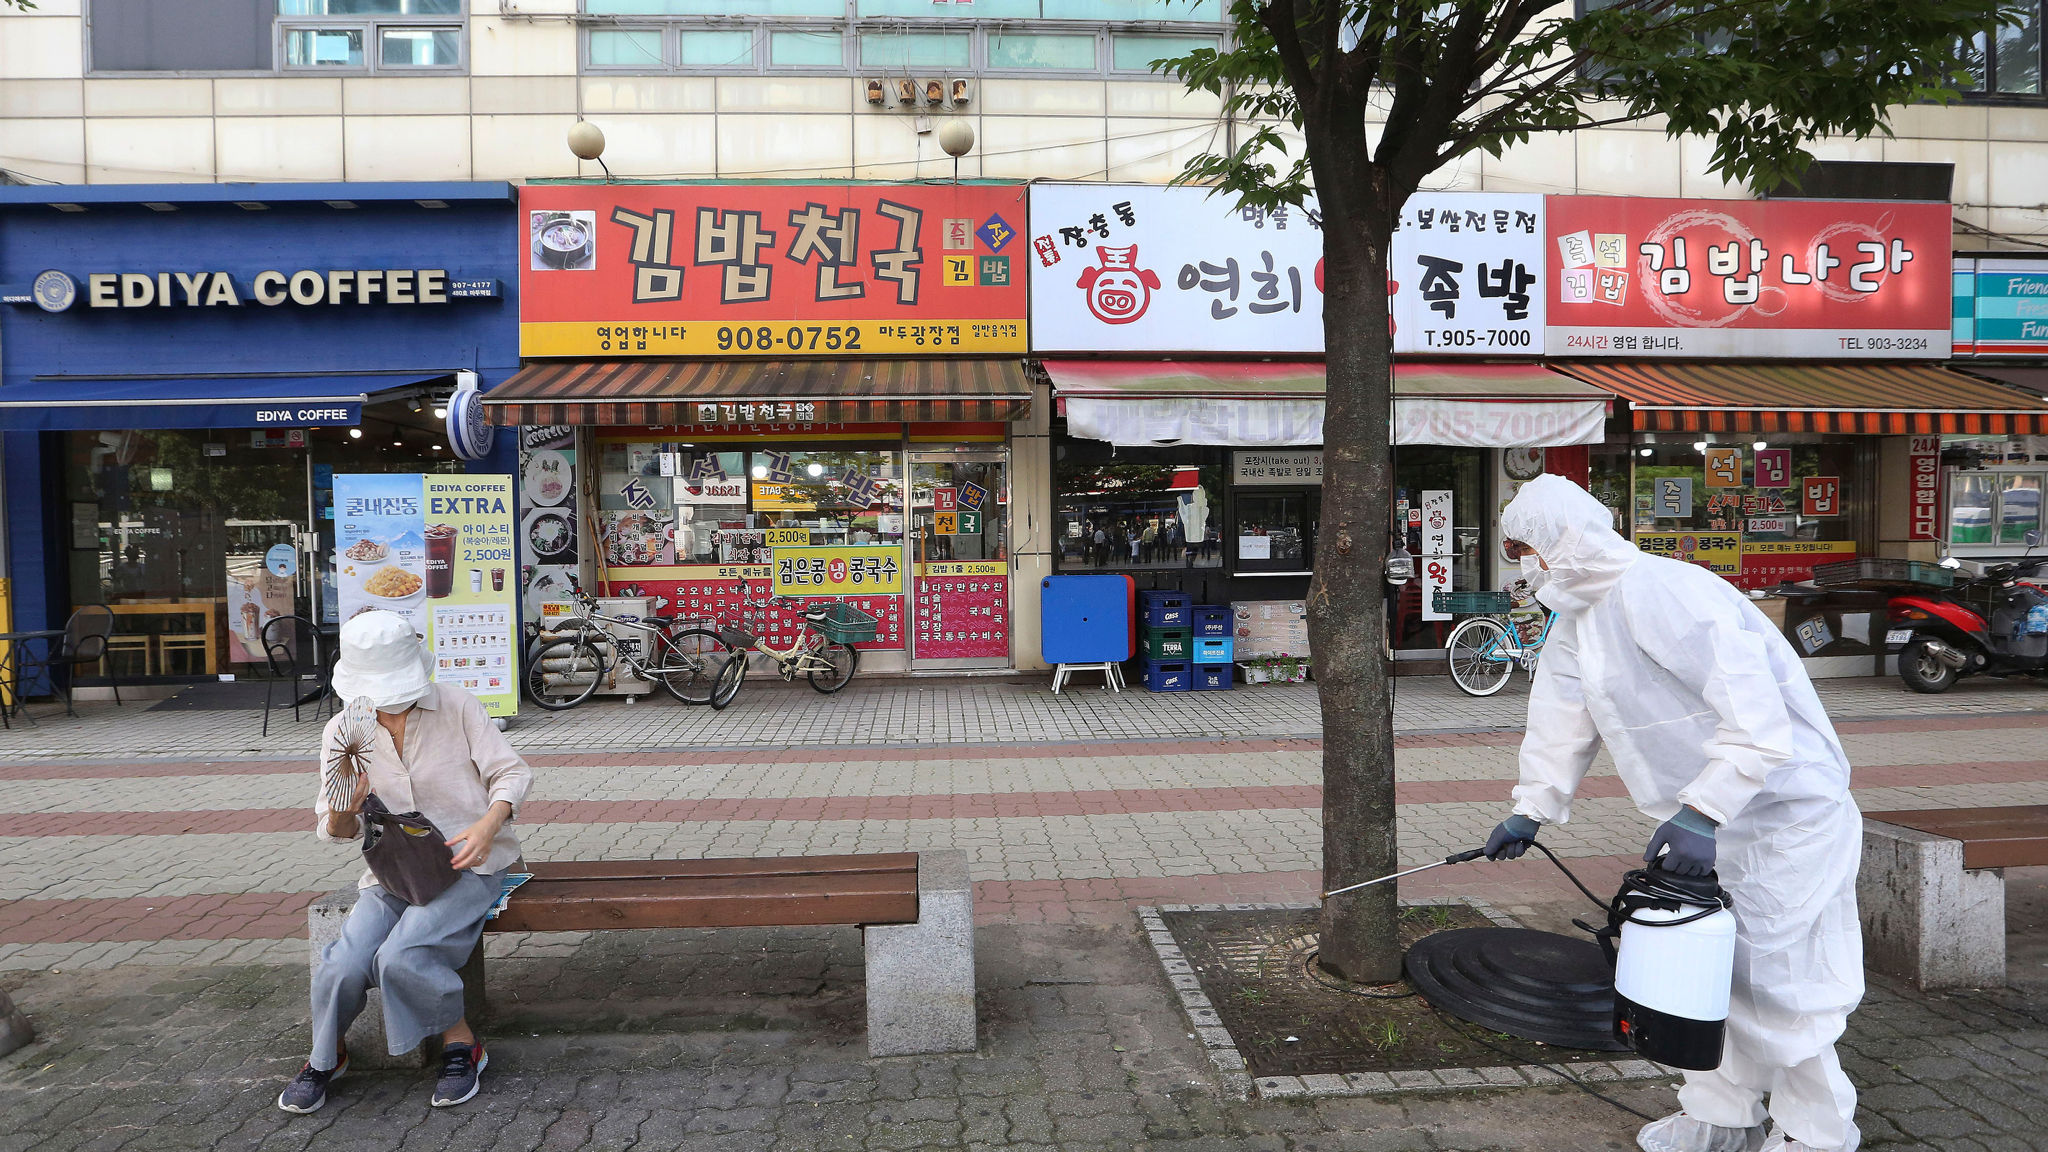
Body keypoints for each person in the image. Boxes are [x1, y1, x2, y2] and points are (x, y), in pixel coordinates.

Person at [1481, 475, 1863, 1152]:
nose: (1522, 565)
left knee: (1780, 980)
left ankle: (1816, 1132)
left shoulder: (1665, 590)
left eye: (1524, 548)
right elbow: (1561, 720)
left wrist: (1705, 811)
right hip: (1709, 824)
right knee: (1706, 972)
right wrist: (1531, 808)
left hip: (1784, 815)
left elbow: (1755, 716)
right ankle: (1722, 1115)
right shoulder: (1578, 621)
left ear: (1562, 540)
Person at [279, 610, 533, 1115]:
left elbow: (511, 773)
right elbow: (338, 830)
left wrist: (488, 824)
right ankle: (326, 1057)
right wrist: (343, 810)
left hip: (470, 862)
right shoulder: (342, 730)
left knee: (401, 955)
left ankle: (462, 1045)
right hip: (394, 871)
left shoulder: (457, 705)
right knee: (344, 963)